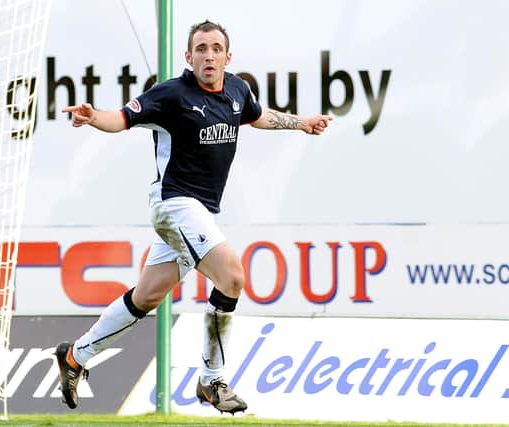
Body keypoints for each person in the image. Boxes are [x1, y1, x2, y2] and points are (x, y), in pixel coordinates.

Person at [55, 19, 332, 415]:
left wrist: (300, 123)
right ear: (189, 57)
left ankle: (75, 356)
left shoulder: (237, 89)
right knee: (232, 276)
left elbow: (255, 116)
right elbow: (122, 118)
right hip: (173, 204)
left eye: (216, 49)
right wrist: (93, 115)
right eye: (201, 49)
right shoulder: (170, 94)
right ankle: (211, 380)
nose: (209, 55)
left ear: (227, 56)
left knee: (147, 296)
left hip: (197, 211)